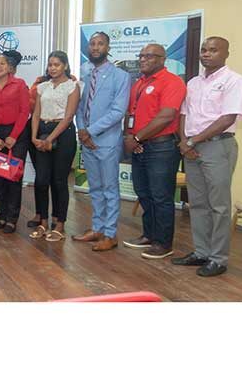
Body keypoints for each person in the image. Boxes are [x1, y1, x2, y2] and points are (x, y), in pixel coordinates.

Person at [173, 36, 242, 277]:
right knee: (197, 203)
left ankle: (218, 258)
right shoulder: (195, 82)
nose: (206, 54)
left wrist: (194, 140)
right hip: (191, 148)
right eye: (204, 50)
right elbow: (184, 114)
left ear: (226, 53)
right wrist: (184, 142)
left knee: (218, 205)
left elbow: (228, 118)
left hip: (218, 147)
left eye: (213, 50)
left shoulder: (235, 81)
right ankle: (201, 252)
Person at [121, 44, 186, 259]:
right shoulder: (139, 83)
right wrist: (130, 137)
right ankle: (149, 235)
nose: (143, 59)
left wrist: (138, 137)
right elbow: (131, 113)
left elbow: (167, 116)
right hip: (140, 145)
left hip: (162, 147)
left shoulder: (172, 82)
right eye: (141, 56)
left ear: (162, 59)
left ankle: (163, 243)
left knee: (161, 196)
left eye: (149, 56)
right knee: (144, 192)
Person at [73, 32, 130, 251]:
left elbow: (118, 111)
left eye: (100, 44)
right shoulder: (85, 75)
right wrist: (82, 131)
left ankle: (110, 233)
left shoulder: (120, 76)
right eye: (92, 44)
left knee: (109, 189)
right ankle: (97, 227)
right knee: (94, 188)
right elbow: (79, 107)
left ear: (108, 47)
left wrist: (90, 131)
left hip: (106, 141)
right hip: (87, 142)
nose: (95, 47)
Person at [28, 51, 80, 241]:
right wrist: (34, 137)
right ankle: (42, 221)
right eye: (50, 65)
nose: (53, 68)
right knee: (41, 180)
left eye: (57, 64)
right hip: (42, 132)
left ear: (65, 66)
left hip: (63, 134)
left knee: (59, 181)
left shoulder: (72, 86)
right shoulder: (42, 87)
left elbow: (68, 117)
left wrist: (50, 138)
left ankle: (59, 224)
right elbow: (35, 114)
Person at [0, 52, 30, 233]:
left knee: (13, 176)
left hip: (16, 134)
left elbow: (25, 112)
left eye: (2, 63)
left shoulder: (20, 84)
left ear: (9, 67)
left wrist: (13, 136)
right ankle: (2, 215)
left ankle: (12, 218)